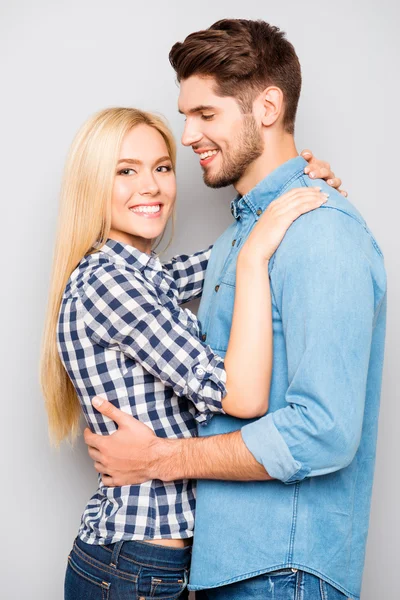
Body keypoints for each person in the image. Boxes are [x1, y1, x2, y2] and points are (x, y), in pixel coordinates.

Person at [85, 19, 387, 600]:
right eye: (185, 115)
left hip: (284, 574)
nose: (188, 134)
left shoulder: (320, 235)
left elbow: (323, 430)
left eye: (205, 114)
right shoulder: (244, 237)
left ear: (268, 107)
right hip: (231, 567)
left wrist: (161, 458)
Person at [40, 106, 331, 599]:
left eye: (162, 167)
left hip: (147, 565)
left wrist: (296, 195)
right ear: (92, 183)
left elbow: (217, 261)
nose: (151, 186)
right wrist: (258, 251)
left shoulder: (139, 274)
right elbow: (239, 396)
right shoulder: (109, 283)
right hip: (133, 565)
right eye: (126, 171)